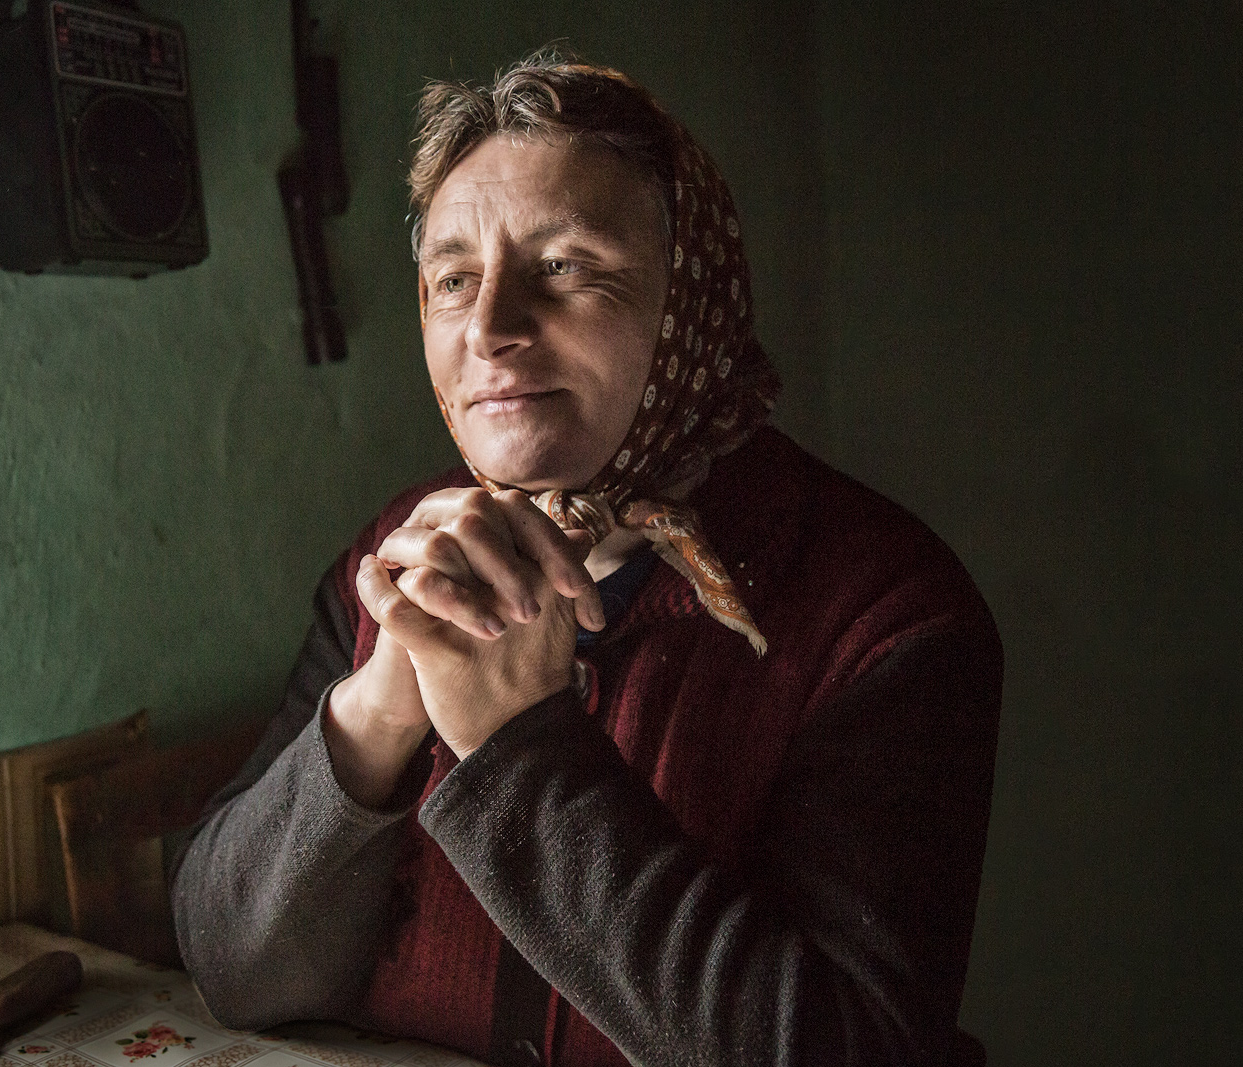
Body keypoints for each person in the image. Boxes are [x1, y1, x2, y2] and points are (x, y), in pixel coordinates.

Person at [167, 50, 1001, 1067]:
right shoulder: (396, 557)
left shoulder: (880, 612)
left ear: (691, 300)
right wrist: (381, 699)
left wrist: (517, 744)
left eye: (564, 267)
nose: (490, 329)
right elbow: (232, 967)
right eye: (451, 279)